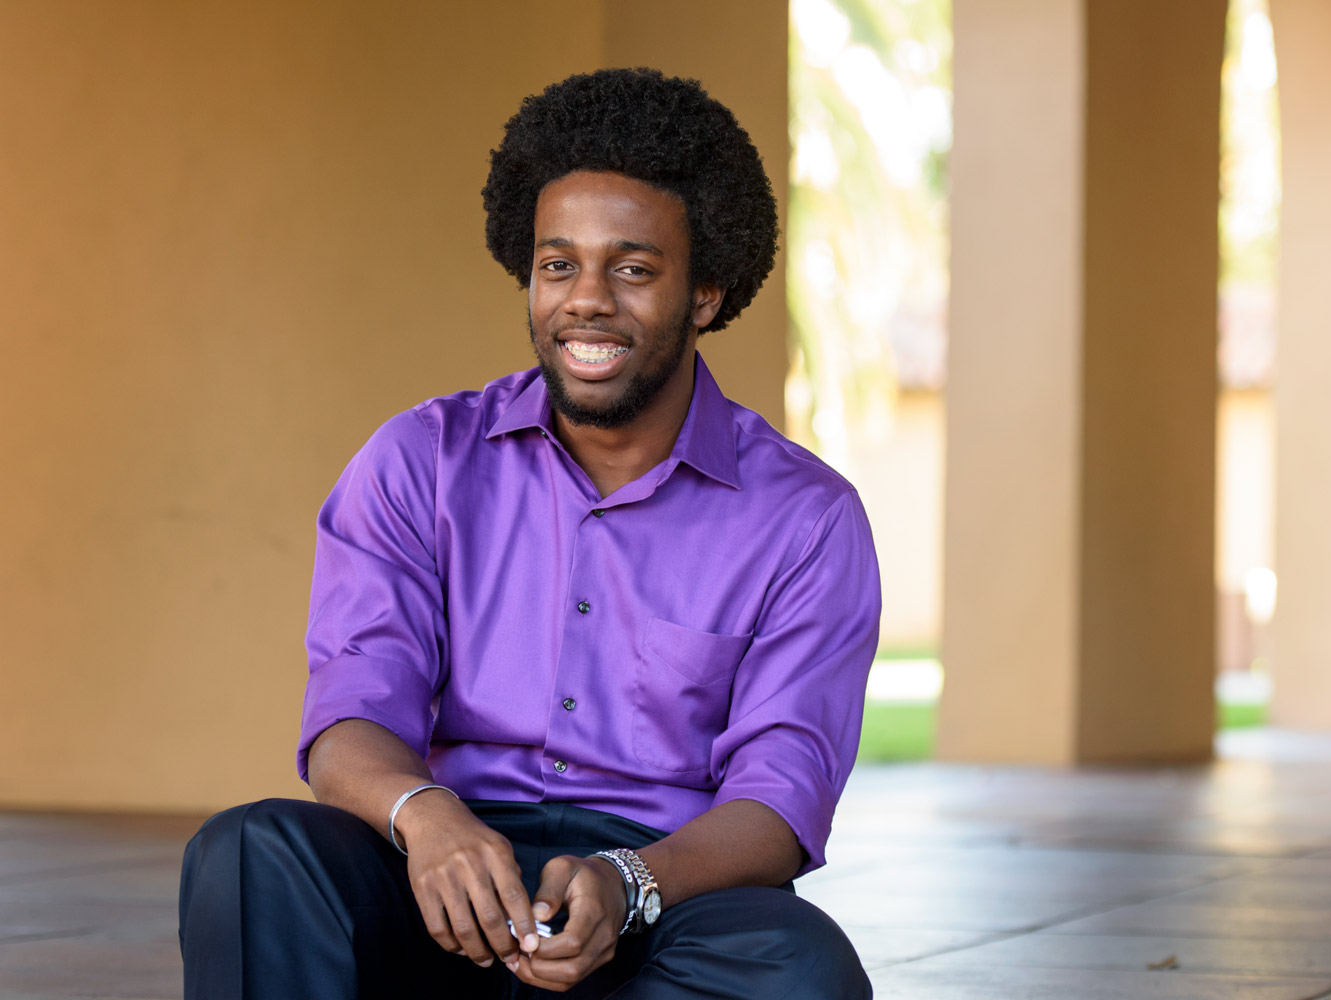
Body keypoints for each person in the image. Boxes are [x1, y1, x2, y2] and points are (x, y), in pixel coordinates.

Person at [178, 67, 880, 999]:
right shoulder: (418, 459)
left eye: (632, 268)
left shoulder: (805, 516)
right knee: (250, 851)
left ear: (705, 294)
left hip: (663, 890)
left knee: (797, 966)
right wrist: (426, 819)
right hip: (448, 875)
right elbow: (350, 713)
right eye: (559, 264)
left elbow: (781, 798)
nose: (586, 299)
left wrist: (632, 885)